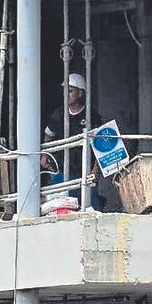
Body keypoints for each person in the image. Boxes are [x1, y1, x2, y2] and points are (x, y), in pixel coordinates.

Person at [43, 72, 101, 205]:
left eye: (70, 91)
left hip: (85, 171)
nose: (66, 94)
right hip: (62, 171)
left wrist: (96, 170)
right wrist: (45, 156)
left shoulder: (91, 115)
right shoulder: (59, 114)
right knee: (63, 208)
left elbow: (101, 144)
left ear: (80, 93)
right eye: (64, 91)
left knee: (91, 207)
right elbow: (48, 134)